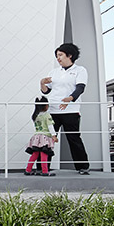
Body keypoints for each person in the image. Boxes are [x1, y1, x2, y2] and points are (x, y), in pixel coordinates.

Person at [40, 42, 91, 175]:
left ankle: (83, 167)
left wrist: (71, 98)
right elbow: (46, 91)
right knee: (48, 139)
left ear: (70, 55)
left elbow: (80, 87)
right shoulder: (54, 72)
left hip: (71, 110)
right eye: (57, 56)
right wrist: (42, 84)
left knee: (73, 138)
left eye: (61, 55)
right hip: (53, 110)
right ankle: (43, 167)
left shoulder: (80, 70)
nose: (58, 58)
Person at [24, 100, 58, 176]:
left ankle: (28, 170)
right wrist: (54, 136)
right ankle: (45, 171)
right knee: (44, 154)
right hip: (45, 137)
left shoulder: (36, 115)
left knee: (35, 154)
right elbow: (50, 126)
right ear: (45, 106)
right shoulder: (47, 115)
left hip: (36, 137)